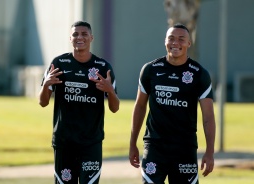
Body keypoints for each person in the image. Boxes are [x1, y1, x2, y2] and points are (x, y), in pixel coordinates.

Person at [129, 24, 216, 184]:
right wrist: (132, 143)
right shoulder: (150, 70)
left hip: (185, 148)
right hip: (154, 147)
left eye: (181, 39)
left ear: (189, 43)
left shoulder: (199, 74)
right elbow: (140, 106)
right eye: (171, 38)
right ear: (165, 41)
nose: (175, 43)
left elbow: (208, 116)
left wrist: (209, 152)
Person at [39, 21, 119, 184]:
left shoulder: (103, 67)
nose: (79, 37)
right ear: (70, 38)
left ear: (91, 38)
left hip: (91, 142)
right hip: (64, 141)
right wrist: (46, 85)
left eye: (84, 34)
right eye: (75, 34)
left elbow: (114, 108)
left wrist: (110, 90)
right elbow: (43, 102)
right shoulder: (59, 63)